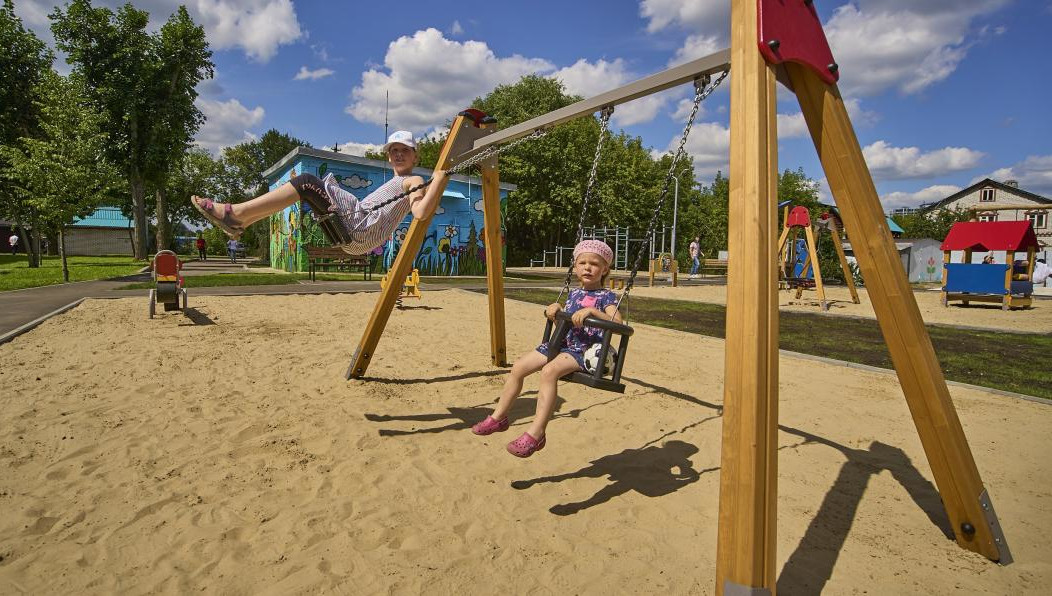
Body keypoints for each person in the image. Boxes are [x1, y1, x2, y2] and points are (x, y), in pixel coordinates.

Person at [471, 239, 623, 458]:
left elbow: (618, 324)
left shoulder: (606, 297)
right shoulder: (573, 293)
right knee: (519, 367)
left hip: (582, 350)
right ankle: (498, 417)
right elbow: (565, 314)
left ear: (605, 269)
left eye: (594, 264)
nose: (587, 268)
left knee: (549, 372)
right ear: (575, 266)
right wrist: (555, 308)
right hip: (559, 343)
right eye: (582, 263)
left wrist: (594, 313)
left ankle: (536, 433)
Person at [189, 130, 446, 255]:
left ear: (415, 155)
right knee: (307, 190)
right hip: (357, 233)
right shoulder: (397, 180)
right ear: (388, 156)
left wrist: (438, 179)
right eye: (394, 150)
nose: (398, 154)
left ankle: (237, 212)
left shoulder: (414, 180)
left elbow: (421, 212)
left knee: (307, 182)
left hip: (359, 227)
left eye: (405, 150)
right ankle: (242, 221)